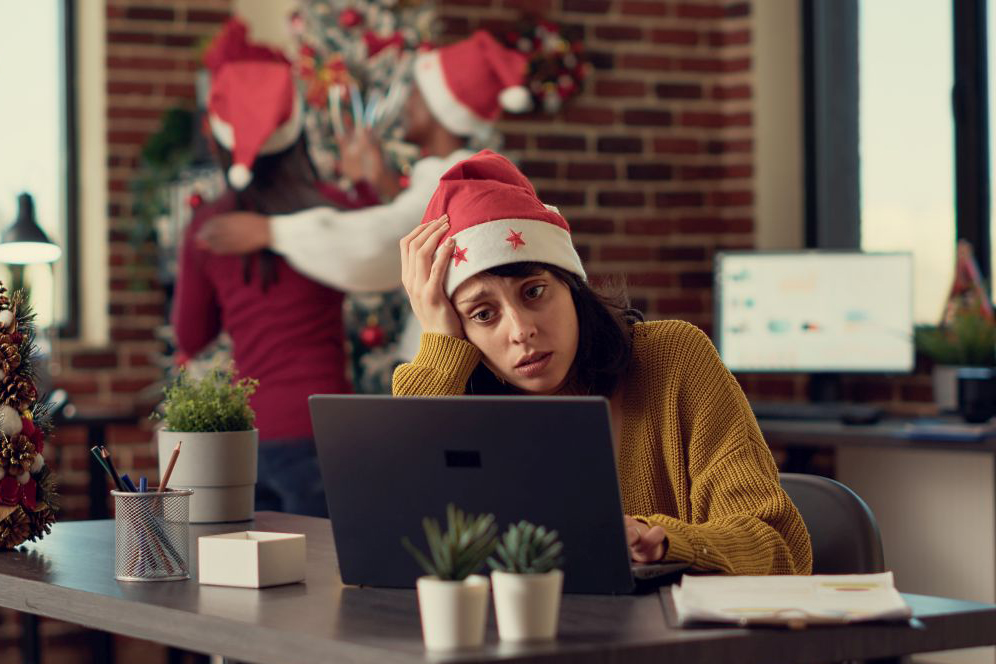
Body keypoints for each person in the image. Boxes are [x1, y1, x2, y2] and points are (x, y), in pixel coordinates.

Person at [392, 150, 813, 575]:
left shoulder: (674, 360)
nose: (520, 330)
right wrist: (438, 348)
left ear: (572, 287)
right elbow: (398, 541)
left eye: (534, 292)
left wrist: (665, 541)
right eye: (484, 314)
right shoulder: (454, 399)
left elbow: (779, 548)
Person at [194, 31, 533, 358]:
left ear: (437, 107)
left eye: (414, 93)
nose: (405, 104)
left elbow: (384, 241)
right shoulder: (449, 173)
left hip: (446, 360)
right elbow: (419, 213)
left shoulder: (459, 176)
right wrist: (375, 180)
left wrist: (270, 231)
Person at [173, 21, 358, 517]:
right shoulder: (337, 208)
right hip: (327, 430)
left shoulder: (209, 224)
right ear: (294, 126)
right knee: (326, 587)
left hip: (246, 442)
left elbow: (190, 334)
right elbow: (379, 250)